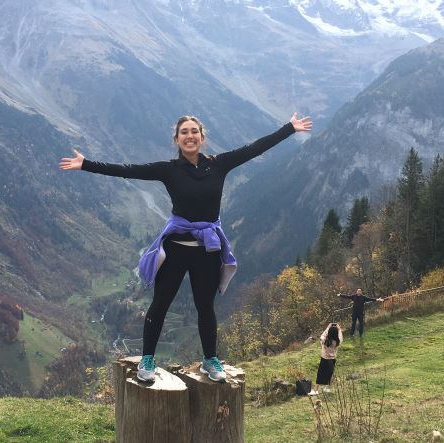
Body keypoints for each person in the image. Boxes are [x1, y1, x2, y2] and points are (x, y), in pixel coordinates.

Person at [59, 113, 312, 383]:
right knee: (160, 304)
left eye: (194, 131)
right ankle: (147, 359)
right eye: (184, 132)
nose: (189, 136)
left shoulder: (220, 164)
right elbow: (128, 169)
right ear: (177, 139)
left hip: (207, 250)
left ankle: (210, 359)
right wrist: (86, 164)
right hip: (176, 249)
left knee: (206, 307)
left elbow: (255, 148)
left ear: (202, 137)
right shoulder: (169, 170)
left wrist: (289, 128)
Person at [316, 322, 342, 393]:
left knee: (320, 374)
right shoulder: (337, 342)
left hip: (324, 359)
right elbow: (340, 335)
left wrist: (328, 327)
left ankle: (316, 390)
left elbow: (322, 335)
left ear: (329, 333)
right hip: (332, 360)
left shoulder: (325, 341)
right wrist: (339, 329)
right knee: (330, 374)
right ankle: (328, 388)